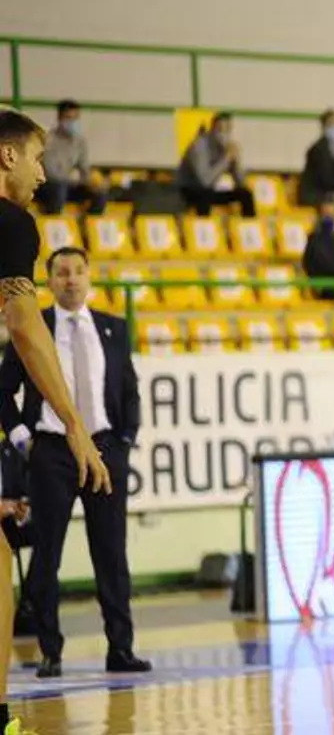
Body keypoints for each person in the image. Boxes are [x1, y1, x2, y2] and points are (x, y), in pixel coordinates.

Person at [0, 106, 112, 734]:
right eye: (38, 159)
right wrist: (72, 422)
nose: (43, 175)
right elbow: (25, 327)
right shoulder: (11, 222)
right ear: (7, 156)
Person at [0, 247, 149, 679]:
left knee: (112, 553)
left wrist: (124, 441)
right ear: (49, 281)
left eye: (79, 271)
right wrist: (24, 440)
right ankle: (50, 651)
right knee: (47, 554)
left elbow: (130, 391)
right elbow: (3, 391)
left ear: (89, 277)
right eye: (62, 272)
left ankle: (121, 649)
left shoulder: (114, 328)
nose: (71, 279)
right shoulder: (34, 326)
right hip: (51, 451)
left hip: (104, 450)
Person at [177, 113, 257, 217]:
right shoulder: (200, 146)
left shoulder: (226, 147)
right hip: (188, 189)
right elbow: (204, 181)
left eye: (228, 130)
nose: (225, 135)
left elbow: (241, 183)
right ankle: (204, 225)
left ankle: (248, 225)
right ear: (213, 129)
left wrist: (236, 162)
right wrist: (226, 159)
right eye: (221, 130)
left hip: (210, 189)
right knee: (203, 195)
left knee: (245, 194)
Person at [37, 100, 106, 216]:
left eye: (76, 118)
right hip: (48, 184)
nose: (73, 122)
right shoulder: (48, 140)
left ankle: (88, 223)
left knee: (99, 193)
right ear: (60, 119)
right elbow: (51, 173)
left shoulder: (80, 142)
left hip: (69, 184)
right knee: (58, 189)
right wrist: (74, 181)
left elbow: (84, 169)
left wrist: (91, 182)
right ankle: (52, 221)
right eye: (69, 118)